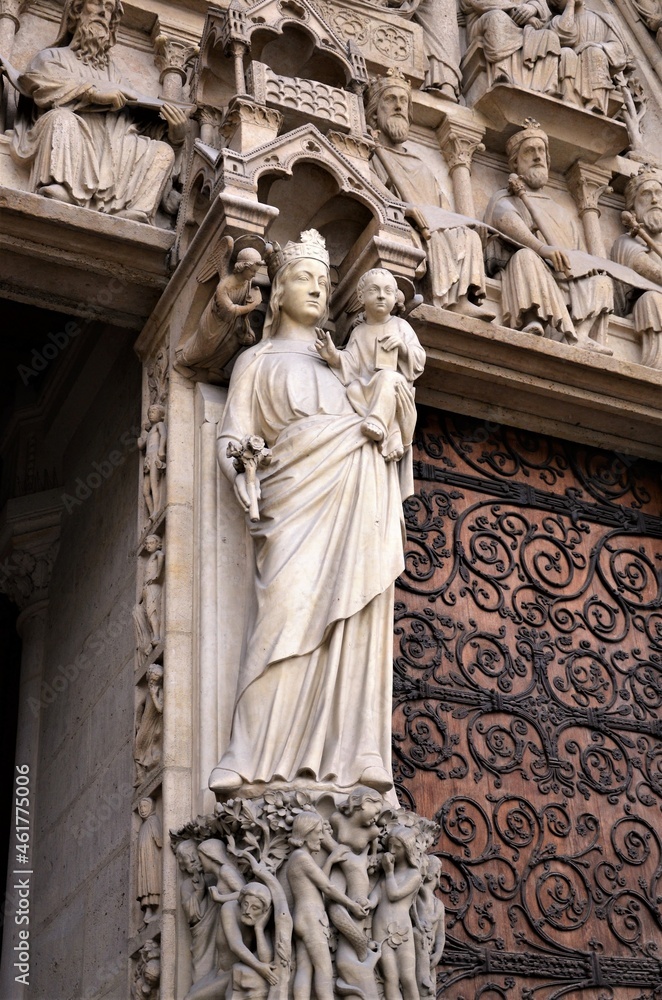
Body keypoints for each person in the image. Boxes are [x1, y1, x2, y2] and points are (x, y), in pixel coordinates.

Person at [209, 230, 412, 801]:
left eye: (325, 281)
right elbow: (234, 435)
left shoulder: (343, 364)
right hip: (292, 500)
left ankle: (353, 752)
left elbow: (387, 413)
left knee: (356, 616)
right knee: (283, 614)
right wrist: (241, 464)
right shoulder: (256, 360)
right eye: (304, 278)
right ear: (277, 293)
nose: (318, 289)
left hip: (357, 491)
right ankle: (248, 754)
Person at [11, 0, 187, 223]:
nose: (104, 13)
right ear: (76, 11)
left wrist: (175, 133)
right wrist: (92, 94)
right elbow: (40, 85)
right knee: (61, 120)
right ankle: (62, 184)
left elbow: (135, 117)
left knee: (162, 152)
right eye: (96, 4)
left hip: (111, 146)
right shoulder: (53, 57)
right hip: (75, 134)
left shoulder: (114, 75)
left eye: (110, 10)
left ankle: (135, 209)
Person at [365, 69, 494, 321]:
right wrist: (403, 208)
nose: (399, 106)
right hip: (402, 223)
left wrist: (466, 223)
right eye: (390, 100)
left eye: (404, 101)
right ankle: (447, 300)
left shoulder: (419, 163)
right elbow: (366, 185)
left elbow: (443, 207)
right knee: (433, 236)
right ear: (373, 114)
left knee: (465, 235)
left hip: (432, 223)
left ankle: (461, 298)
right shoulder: (372, 153)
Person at [484, 118, 613, 351]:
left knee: (603, 282)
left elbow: (576, 250)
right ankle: (533, 318)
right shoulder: (506, 198)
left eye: (541, 151)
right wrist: (543, 249)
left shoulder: (561, 212)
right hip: (532, 270)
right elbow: (507, 222)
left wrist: (585, 266)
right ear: (515, 163)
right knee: (527, 257)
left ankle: (580, 335)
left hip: (566, 278)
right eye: (529, 151)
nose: (537, 156)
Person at [315, 268, 426, 464]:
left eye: (388, 291)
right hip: (369, 392)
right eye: (375, 290)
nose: (382, 296)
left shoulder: (401, 326)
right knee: (354, 389)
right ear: (361, 296)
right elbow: (351, 364)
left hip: (397, 392)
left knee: (387, 377)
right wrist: (332, 355)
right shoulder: (359, 332)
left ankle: (383, 424)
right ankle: (391, 434)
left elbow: (419, 361)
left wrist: (403, 348)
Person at [611, 167, 662, 368]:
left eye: (659, 193)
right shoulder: (627, 242)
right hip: (644, 305)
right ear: (632, 208)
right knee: (654, 299)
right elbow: (647, 269)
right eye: (646, 194)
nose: (655, 200)